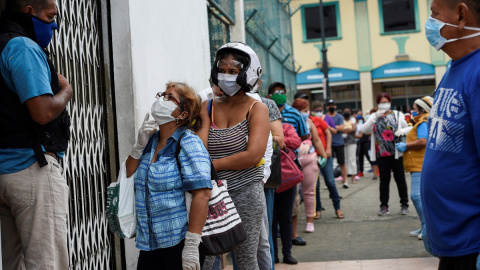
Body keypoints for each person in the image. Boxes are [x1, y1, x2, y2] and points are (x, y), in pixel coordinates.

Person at [0, 1, 72, 268]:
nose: (53, 25)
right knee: (47, 262)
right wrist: (66, 91)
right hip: (31, 170)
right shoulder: (22, 46)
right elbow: (42, 112)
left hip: (5, 173)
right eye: (50, 16)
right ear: (29, 11)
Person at [200, 42, 270, 269]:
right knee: (206, 258)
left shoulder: (257, 108)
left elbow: (253, 155)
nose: (226, 75)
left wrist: (211, 165)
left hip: (247, 191)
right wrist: (209, 168)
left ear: (248, 73)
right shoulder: (206, 107)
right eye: (223, 70)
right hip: (210, 194)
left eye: (233, 71)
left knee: (247, 258)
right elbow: (200, 150)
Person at [126, 82, 212, 269]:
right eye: (162, 94)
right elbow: (128, 174)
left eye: (169, 97)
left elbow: (202, 194)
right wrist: (138, 147)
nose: (161, 100)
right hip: (149, 243)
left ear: (183, 114)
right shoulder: (151, 140)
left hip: (178, 243)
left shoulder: (189, 142)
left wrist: (191, 245)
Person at [422, 0, 480, 268]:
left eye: (434, 14)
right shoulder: (455, 68)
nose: (429, 22)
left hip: (472, 244)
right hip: (454, 244)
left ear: (460, 14)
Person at [267, 82, 309, 247]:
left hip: (289, 166)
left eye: (281, 92)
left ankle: (293, 234)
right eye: (275, 92)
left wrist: (283, 140)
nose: (279, 94)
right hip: (269, 167)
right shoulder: (264, 110)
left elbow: (301, 137)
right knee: (273, 208)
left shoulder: (294, 114)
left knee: (293, 205)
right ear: (269, 95)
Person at [362, 93, 410, 216]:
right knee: (384, 180)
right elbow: (364, 130)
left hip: (396, 153)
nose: (384, 104)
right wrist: (375, 116)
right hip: (381, 153)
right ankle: (384, 206)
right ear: (377, 104)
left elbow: (408, 128)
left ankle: (404, 204)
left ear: (390, 102)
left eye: (386, 102)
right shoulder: (374, 116)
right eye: (381, 102)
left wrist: (402, 131)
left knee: (400, 178)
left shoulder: (398, 114)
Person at [395, 96, 432, 240]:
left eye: (415, 109)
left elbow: (423, 140)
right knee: (420, 196)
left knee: (415, 196)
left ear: (422, 110)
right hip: (418, 164)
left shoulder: (423, 122)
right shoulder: (421, 122)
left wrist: (406, 146)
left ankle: (428, 227)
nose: (412, 111)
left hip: (420, 164)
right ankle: (424, 226)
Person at [291, 98, 327, 233]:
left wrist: (323, 156)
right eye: (303, 110)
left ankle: (309, 221)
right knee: (294, 194)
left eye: (307, 110)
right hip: (293, 160)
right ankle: (292, 227)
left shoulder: (309, 121)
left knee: (309, 192)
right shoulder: (287, 120)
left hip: (310, 159)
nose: (306, 113)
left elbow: (317, 140)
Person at [325, 100, 349, 188]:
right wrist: (336, 127)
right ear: (327, 107)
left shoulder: (339, 116)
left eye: (332, 105)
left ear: (335, 106)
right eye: (329, 105)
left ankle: (345, 181)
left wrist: (330, 127)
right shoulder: (325, 116)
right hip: (328, 143)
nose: (331, 107)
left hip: (339, 143)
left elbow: (342, 128)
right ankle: (329, 183)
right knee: (328, 164)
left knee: (342, 163)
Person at [341, 106, 358, 185]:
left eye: (348, 111)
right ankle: (344, 178)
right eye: (345, 111)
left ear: (350, 113)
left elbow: (354, 129)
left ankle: (353, 177)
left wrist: (345, 130)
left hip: (352, 142)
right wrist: (349, 130)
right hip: (342, 142)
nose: (347, 112)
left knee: (352, 159)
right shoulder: (341, 119)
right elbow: (340, 129)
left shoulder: (353, 119)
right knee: (343, 160)